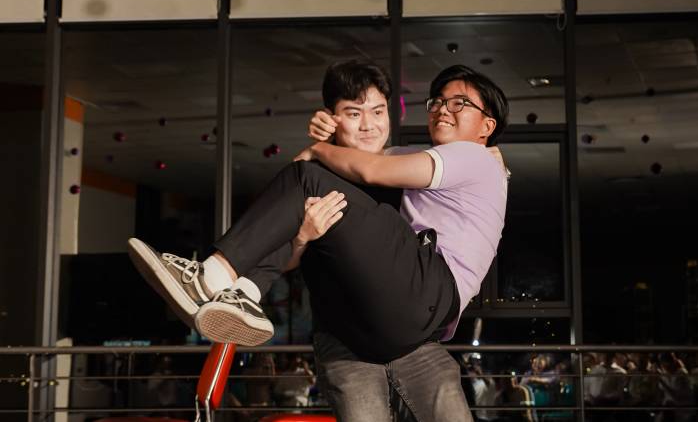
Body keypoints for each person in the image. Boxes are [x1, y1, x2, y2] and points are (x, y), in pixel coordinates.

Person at [129, 63, 509, 420]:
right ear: (332, 117)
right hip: (351, 330)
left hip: (415, 317)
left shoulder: (433, 165)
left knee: (304, 177)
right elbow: (292, 235)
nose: (369, 124)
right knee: (305, 185)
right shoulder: (400, 161)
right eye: (354, 113)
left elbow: (365, 169)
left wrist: (317, 149)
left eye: (378, 112)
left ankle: (217, 279)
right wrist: (303, 235)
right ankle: (243, 291)